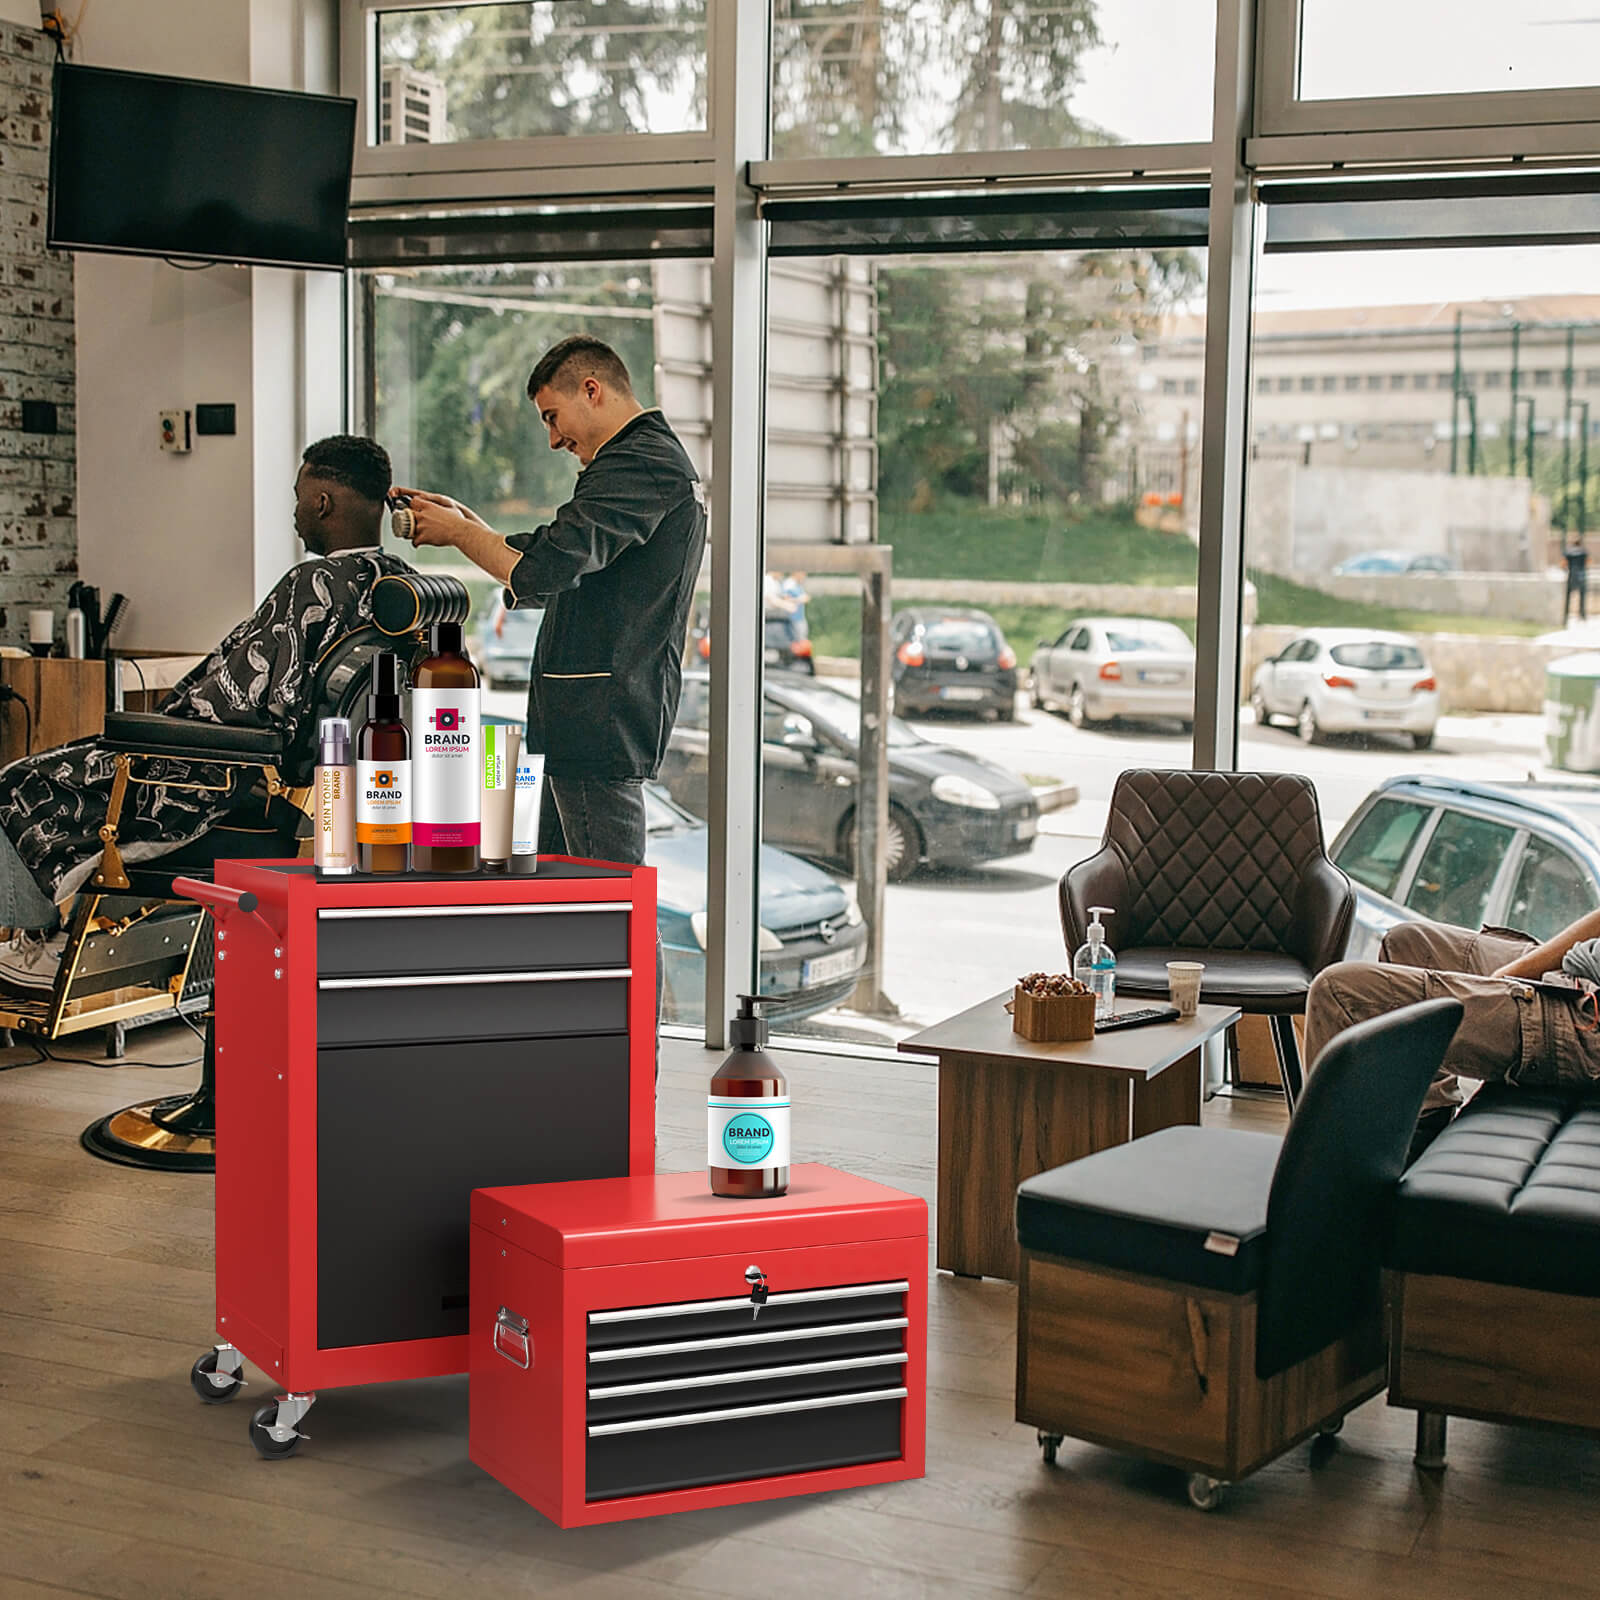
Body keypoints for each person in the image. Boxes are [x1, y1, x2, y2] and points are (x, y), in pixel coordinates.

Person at [0, 436, 414, 989]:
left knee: (16, 781)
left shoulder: (312, 584)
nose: (294, 512)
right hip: (306, 794)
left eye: (298, 496)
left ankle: (38, 947)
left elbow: (234, 701)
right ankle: (56, 936)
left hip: (210, 777)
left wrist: (156, 723)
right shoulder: (396, 584)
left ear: (322, 502)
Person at [392, 334, 707, 867]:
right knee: (571, 903)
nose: (554, 439)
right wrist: (467, 526)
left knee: (610, 909)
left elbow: (545, 567)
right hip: (584, 725)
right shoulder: (635, 464)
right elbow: (557, 568)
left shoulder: (640, 466)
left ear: (592, 390)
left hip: (597, 727)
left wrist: (459, 534)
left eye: (552, 417)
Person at [1304, 910, 1600, 1158]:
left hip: (1585, 1021)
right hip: (1578, 972)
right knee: (1409, 943)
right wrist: (1510, 975)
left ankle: (1325, 1196)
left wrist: (1498, 985)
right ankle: (1422, 1132)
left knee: (1337, 993)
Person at [1564, 533, 1590, 624]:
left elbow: (1563, 563)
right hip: (1581, 575)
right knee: (1582, 596)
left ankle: (1565, 614)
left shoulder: (1569, 552)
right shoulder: (1583, 552)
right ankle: (1582, 615)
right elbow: (1588, 562)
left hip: (1572, 575)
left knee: (1568, 596)